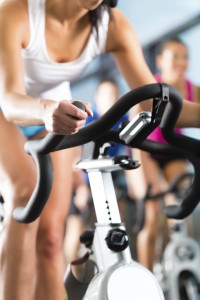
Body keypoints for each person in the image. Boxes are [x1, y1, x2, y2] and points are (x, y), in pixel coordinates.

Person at [0, 1, 199, 300]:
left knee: (51, 239)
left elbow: (149, 104)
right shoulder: (17, 10)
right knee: (26, 192)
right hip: (11, 108)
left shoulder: (111, 24)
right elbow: (10, 100)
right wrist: (44, 110)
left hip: (58, 107)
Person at [135, 37, 200, 271]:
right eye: (176, 56)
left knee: (182, 210)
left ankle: (185, 273)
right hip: (146, 151)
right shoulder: (151, 84)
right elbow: (134, 119)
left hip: (173, 151)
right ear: (161, 61)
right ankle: (147, 280)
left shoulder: (193, 89)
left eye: (185, 57)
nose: (182, 62)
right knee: (152, 218)